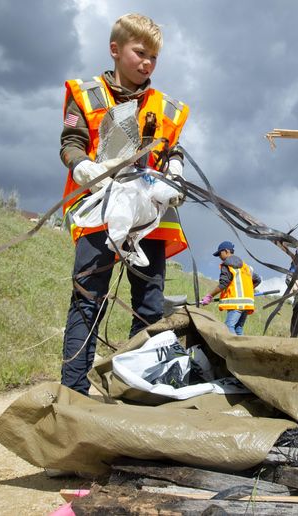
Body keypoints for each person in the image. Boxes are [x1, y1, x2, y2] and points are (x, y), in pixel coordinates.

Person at [58, 13, 190, 395]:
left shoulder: (164, 106)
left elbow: (172, 147)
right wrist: (82, 166)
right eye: (140, 53)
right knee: (88, 300)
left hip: (150, 218)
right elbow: (70, 142)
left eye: (153, 57)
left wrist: (176, 166)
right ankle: (73, 392)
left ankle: (137, 390)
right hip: (101, 210)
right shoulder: (87, 94)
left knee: (150, 305)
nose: (147, 63)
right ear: (115, 50)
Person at [200, 241, 262, 335]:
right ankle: (243, 349)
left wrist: (209, 296)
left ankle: (234, 349)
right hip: (247, 303)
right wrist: (248, 290)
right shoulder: (246, 267)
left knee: (229, 327)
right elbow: (258, 280)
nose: (219, 257)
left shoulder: (227, 264)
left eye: (220, 254)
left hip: (236, 304)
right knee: (238, 328)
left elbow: (223, 284)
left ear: (226, 251)